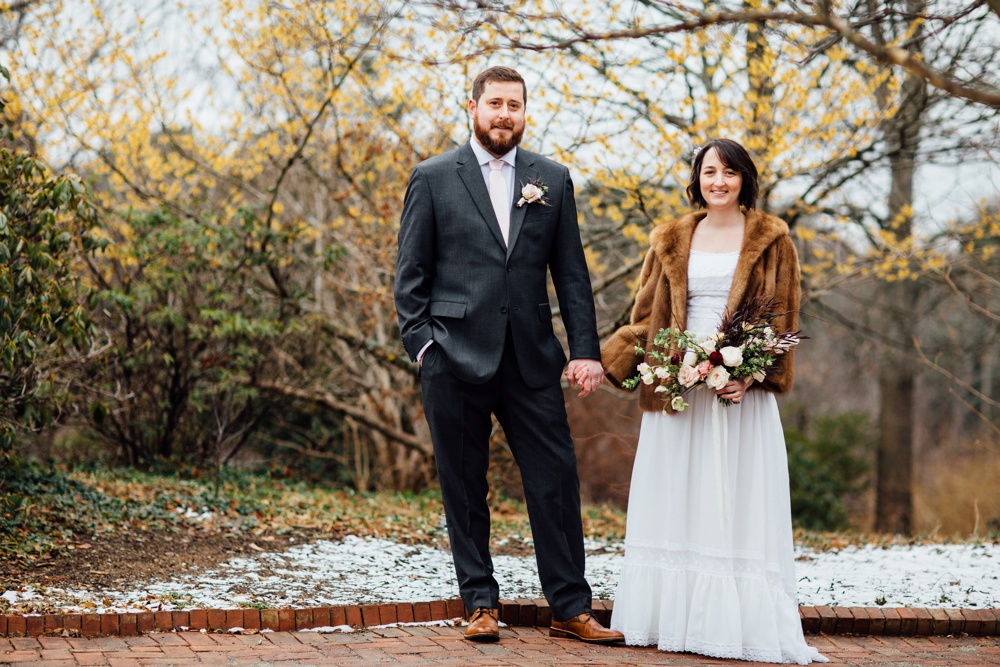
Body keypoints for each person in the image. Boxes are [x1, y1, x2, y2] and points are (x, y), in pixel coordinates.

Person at [394, 65, 624, 645]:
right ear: (472, 107)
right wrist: (424, 345)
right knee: (464, 485)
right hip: (452, 356)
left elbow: (571, 275)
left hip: (531, 360)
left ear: (525, 112)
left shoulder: (551, 178)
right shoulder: (433, 177)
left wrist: (586, 352)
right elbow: (410, 277)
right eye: (494, 103)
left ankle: (570, 607)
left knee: (554, 480)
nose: (504, 114)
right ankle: (479, 604)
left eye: (514, 105)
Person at [597, 139, 828, 663]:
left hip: (736, 396)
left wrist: (750, 375)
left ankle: (732, 624)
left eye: (728, 172)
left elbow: (783, 323)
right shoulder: (671, 237)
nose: (717, 181)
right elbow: (644, 314)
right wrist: (607, 359)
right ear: (696, 179)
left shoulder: (772, 240)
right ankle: (668, 618)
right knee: (677, 495)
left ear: (744, 178)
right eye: (708, 172)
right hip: (677, 387)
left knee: (732, 499)